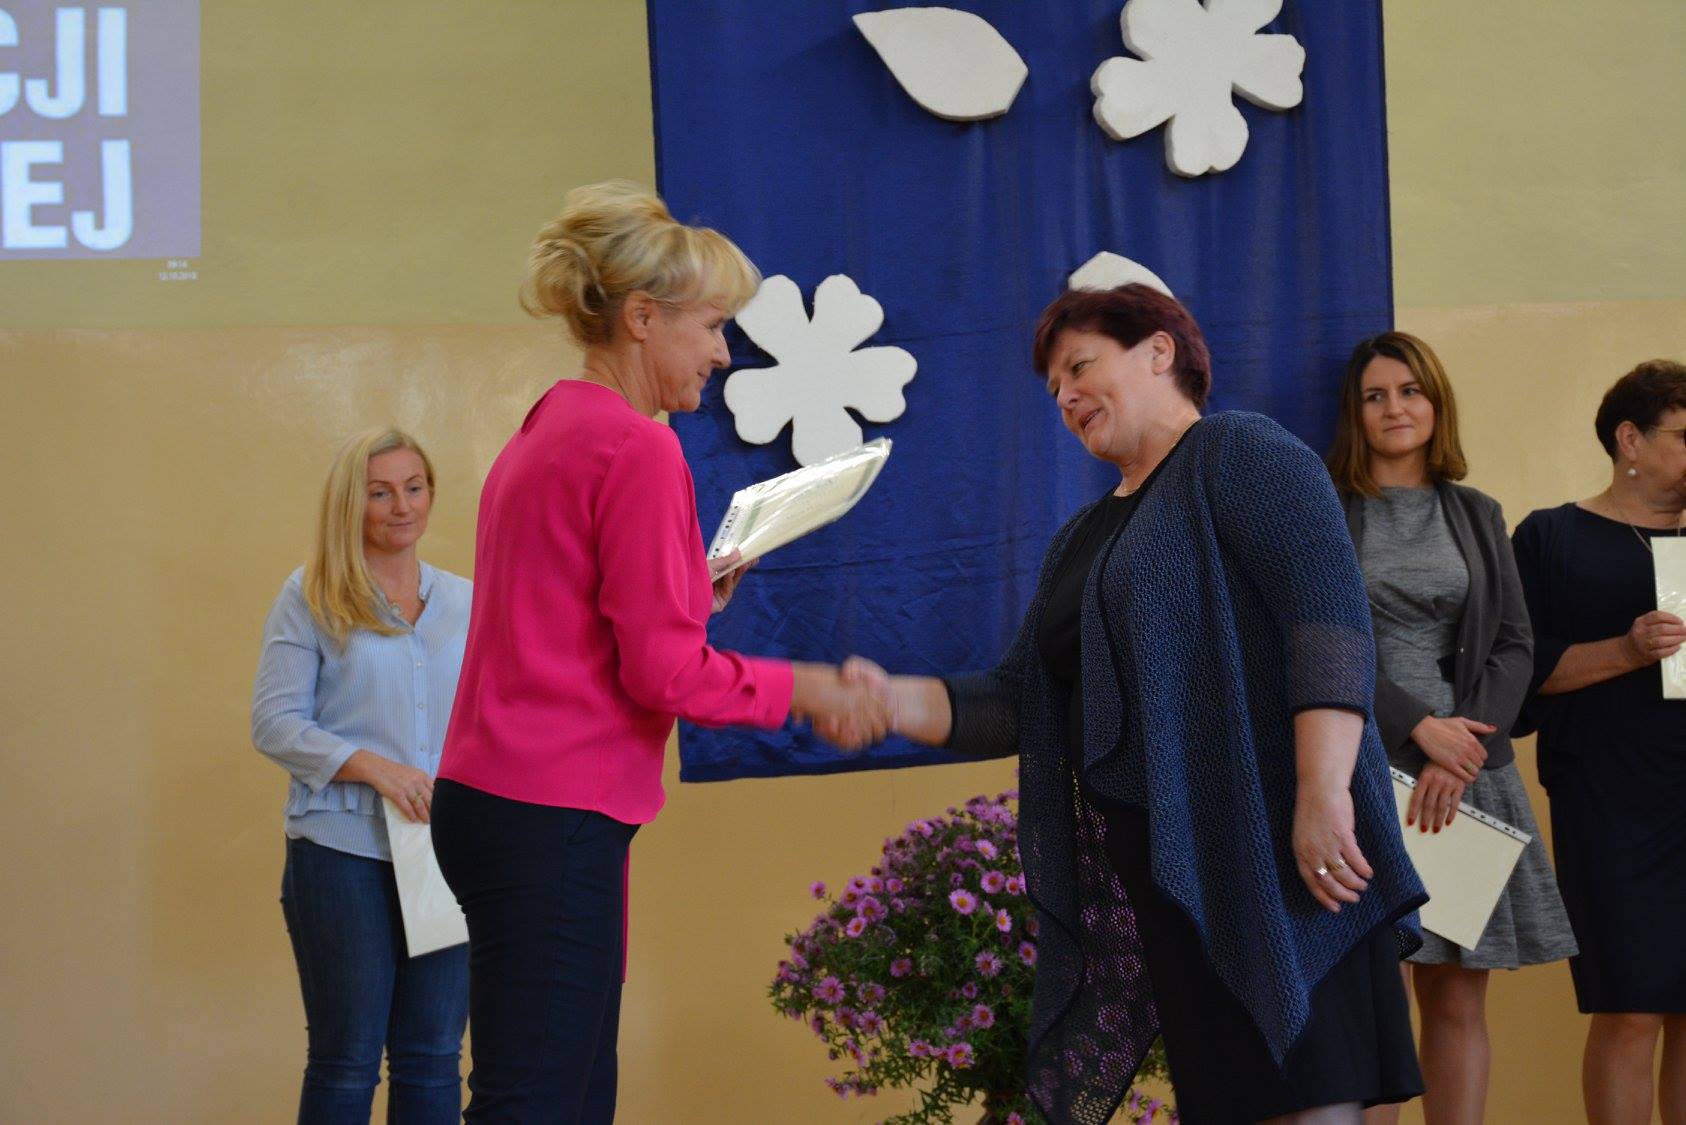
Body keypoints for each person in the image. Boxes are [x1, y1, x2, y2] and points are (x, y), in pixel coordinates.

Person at [846, 284, 1426, 1124]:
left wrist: (1323, 792)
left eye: (1080, 366)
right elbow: (1017, 700)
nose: (1066, 395)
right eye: (1054, 387)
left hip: (1281, 850)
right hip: (1179, 877)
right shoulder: (1080, 539)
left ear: (1160, 351)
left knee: (1313, 1102)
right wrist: (889, 701)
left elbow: (1328, 621)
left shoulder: (1239, 449)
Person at [429, 181, 888, 1124]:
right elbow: (665, 673)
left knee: (559, 1092)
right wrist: (809, 688)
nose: (723, 352)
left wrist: (685, 590)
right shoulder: (638, 447)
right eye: (713, 326)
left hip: (503, 796)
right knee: (539, 1102)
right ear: (642, 318)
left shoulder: (553, 424)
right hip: (552, 806)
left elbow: (565, 616)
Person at [1326, 332, 1576, 1125]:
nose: (1394, 408)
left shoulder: (1476, 512)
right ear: (1355, 413)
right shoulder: (1325, 510)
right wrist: (1419, 729)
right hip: (1361, 764)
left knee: (1458, 994)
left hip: (1467, 770)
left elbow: (1515, 644)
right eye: (1375, 395)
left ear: (1436, 403)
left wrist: (1459, 750)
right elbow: (1318, 644)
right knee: (1377, 993)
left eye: (1410, 391)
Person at [251, 427, 471, 1124]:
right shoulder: (310, 594)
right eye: (380, 493)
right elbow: (274, 722)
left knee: (433, 1056)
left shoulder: (468, 602)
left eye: (414, 488)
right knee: (347, 1059)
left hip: (443, 854)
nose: (401, 506)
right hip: (340, 853)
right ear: (352, 503)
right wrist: (377, 769)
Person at [1511, 359, 1686, 1125]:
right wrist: (1627, 648)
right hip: (1611, 801)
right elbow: (1516, 674)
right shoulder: (1552, 537)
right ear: (1630, 439)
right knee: (1632, 1005)